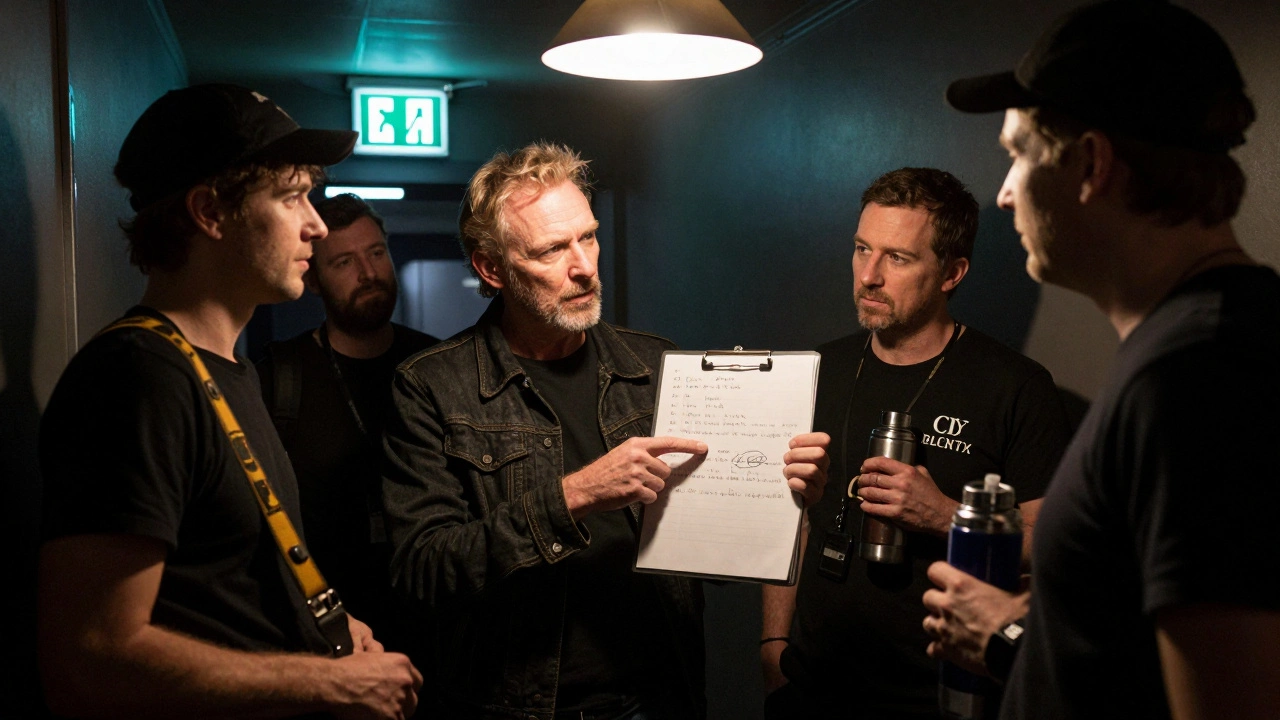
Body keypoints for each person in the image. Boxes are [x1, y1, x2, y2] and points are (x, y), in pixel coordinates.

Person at [380, 141, 830, 719]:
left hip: (663, 697)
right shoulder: (431, 386)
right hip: (520, 707)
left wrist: (780, 501)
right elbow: (424, 569)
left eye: (588, 237)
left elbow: (712, 562)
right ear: (491, 269)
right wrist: (576, 495)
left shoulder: (655, 365)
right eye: (551, 249)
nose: (584, 266)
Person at [923, 2, 1280, 718]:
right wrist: (1041, 630)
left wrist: (1006, 638)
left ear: (1091, 164)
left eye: (1018, 155)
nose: (1002, 193)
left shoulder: (1195, 377)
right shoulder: (1214, 338)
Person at [38, 84, 421, 719]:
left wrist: (323, 628)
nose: (316, 225)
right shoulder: (136, 379)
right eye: (292, 196)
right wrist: (328, 684)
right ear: (211, 213)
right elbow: (91, 657)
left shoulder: (225, 371)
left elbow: (218, 592)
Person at [761, 167, 1071, 718]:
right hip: (811, 687)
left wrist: (945, 515)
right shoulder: (819, 368)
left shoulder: (1017, 387)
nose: (869, 276)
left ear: (952, 273)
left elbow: (1051, 544)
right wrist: (772, 649)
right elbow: (792, 518)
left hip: (939, 695)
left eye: (897, 258)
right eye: (862, 249)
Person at [258, 193, 438, 662]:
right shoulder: (279, 376)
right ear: (313, 279)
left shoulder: (441, 367)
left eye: (376, 253)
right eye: (344, 262)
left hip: (436, 633)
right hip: (323, 639)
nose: (368, 272)